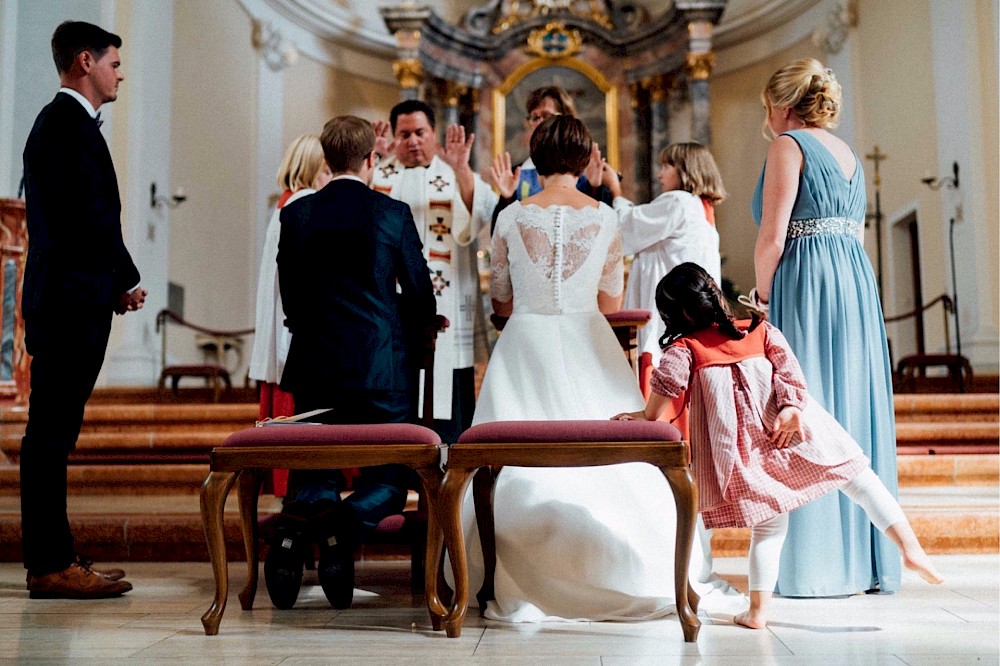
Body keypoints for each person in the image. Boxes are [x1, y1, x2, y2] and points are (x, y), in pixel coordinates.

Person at [463, 115, 741, 622]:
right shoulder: (605, 217)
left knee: (509, 457)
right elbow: (611, 301)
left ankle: (503, 577)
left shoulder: (510, 217)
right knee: (616, 459)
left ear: (537, 157)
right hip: (589, 338)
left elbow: (500, 304)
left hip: (523, 344)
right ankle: (631, 568)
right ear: (584, 158)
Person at [613, 263, 943, 629]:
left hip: (745, 450)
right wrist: (789, 407)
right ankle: (910, 548)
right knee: (859, 477)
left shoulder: (685, 348)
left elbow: (661, 401)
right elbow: (790, 373)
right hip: (788, 429)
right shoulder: (759, 329)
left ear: (674, 312)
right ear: (713, 294)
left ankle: (757, 613)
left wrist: (642, 414)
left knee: (770, 528)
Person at [269, 116, 437, 610]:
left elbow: (292, 300)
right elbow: (422, 297)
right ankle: (342, 528)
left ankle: (293, 534)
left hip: (316, 369)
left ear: (326, 158)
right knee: (387, 477)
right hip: (381, 370)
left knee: (316, 473)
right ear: (371, 160)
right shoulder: (391, 213)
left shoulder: (296, 215)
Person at [751, 58, 901, 597]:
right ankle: (865, 562)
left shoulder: (786, 146)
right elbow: (854, 233)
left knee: (806, 405)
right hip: (853, 282)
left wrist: (762, 298)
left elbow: (772, 236)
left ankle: (816, 567)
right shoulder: (848, 154)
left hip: (806, 279)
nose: (765, 117)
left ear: (782, 104)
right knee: (850, 405)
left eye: (767, 107)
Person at [19, 21, 144, 599]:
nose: (120, 74)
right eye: (114, 64)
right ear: (84, 62)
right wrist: (126, 278)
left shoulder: (67, 126)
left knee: (55, 433)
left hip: (75, 297)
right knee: (49, 435)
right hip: (68, 304)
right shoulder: (63, 126)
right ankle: (48, 563)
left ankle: (57, 552)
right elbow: (86, 218)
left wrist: (111, 282)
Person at [370, 100, 497, 443]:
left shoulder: (452, 173)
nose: (412, 141)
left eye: (420, 133)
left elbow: (476, 220)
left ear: (433, 133)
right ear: (394, 137)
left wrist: (462, 172)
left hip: (445, 300)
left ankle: (445, 472)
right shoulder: (378, 176)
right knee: (394, 388)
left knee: (447, 394)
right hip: (388, 307)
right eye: (404, 134)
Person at [247, 134, 332, 496]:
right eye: (328, 170)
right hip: (298, 336)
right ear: (313, 170)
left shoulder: (288, 205)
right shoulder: (307, 206)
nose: (332, 178)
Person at [605, 142, 725, 375]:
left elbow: (628, 226)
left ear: (687, 169)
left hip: (667, 309)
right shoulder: (701, 207)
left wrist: (615, 191)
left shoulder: (678, 202)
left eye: (667, 165)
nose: (660, 173)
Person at [490, 85, 611, 229]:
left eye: (547, 116)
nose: (539, 123)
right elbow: (498, 235)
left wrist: (595, 188)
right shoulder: (517, 174)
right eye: (535, 117)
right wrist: (506, 199)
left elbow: (605, 229)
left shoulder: (587, 168)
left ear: (566, 120)